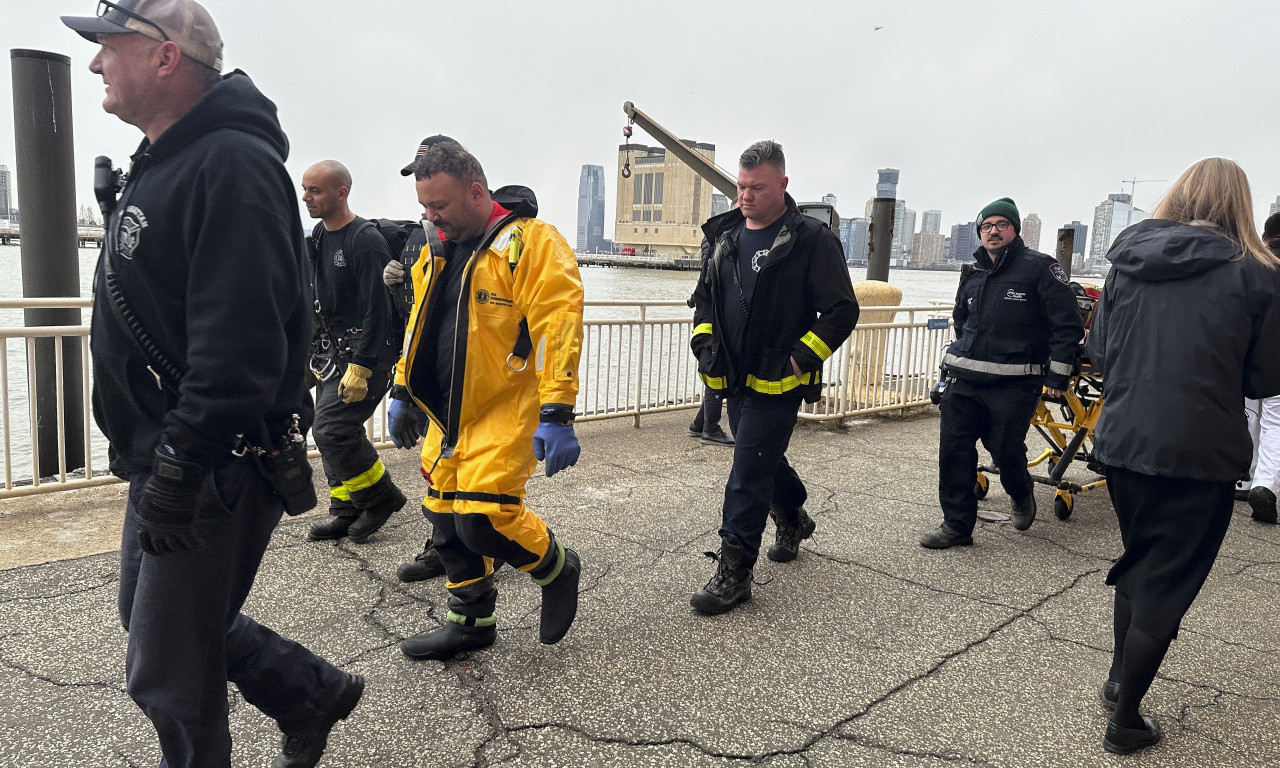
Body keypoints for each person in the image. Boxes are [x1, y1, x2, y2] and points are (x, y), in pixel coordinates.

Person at [61, 2, 362, 766]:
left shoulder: (231, 163)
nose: (96, 63)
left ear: (165, 58)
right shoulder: (174, 156)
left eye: (107, 47)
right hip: (170, 455)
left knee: (169, 674)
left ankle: (298, 700)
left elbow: (241, 347)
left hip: (208, 463)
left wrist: (177, 468)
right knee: (151, 619)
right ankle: (309, 691)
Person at [1086, 158, 1280, 755]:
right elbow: (1265, 377)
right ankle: (1126, 719)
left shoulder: (1126, 264)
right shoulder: (1259, 274)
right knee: (1169, 579)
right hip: (1200, 450)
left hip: (1122, 441)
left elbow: (1099, 353)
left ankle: (1120, 678)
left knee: (1141, 557)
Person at [389, 140, 585, 660]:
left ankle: (557, 567)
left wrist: (558, 411)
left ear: (476, 192)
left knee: (483, 520)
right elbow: (419, 326)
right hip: (448, 415)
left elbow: (556, 324)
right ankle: (471, 622)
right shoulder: (437, 251)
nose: (432, 218)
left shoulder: (529, 243)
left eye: (440, 207)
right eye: (425, 208)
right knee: (445, 521)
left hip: (505, 408)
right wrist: (402, 389)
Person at [688, 140, 859, 615]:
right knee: (760, 458)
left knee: (746, 472)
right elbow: (704, 299)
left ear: (782, 184)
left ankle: (735, 572)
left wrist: (801, 359)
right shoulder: (723, 236)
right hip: (732, 378)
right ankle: (791, 513)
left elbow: (842, 310)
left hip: (778, 382)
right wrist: (704, 345)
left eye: (756, 187)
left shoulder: (811, 240)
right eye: (740, 187)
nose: (745, 196)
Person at [920, 197, 1083, 549]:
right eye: (986, 226)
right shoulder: (972, 272)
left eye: (1001, 225)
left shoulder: (1040, 268)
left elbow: (1066, 325)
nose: (993, 231)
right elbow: (962, 322)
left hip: (1014, 382)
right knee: (954, 452)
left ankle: (1021, 492)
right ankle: (957, 525)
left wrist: (1056, 378)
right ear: (980, 233)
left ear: (1014, 230)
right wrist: (950, 368)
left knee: (1005, 449)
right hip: (964, 380)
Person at [302, 160, 407, 543]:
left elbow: (379, 308)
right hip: (332, 354)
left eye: (315, 190)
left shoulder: (363, 240)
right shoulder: (318, 234)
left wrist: (363, 367)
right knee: (326, 429)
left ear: (341, 193)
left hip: (366, 353)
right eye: (305, 189)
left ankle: (380, 499)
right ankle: (344, 508)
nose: (306, 197)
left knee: (333, 429)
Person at [1242, 212, 1280, 525]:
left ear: (1266, 237)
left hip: (1250, 358)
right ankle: (1265, 485)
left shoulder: (1254, 266)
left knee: (1248, 418)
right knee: (1275, 424)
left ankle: (1241, 477)